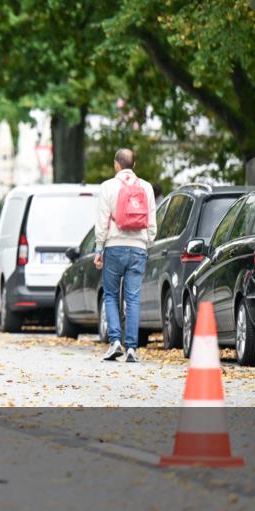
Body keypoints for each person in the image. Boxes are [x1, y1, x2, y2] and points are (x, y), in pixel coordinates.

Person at [95, 147, 157, 363]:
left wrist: (98, 248)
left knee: (111, 294)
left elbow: (102, 221)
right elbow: (152, 224)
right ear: (134, 165)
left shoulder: (108, 187)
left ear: (116, 165)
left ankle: (115, 342)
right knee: (132, 298)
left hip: (114, 246)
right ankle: (132, 348)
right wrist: (145, 243)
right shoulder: (146, 188)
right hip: (138, 248)